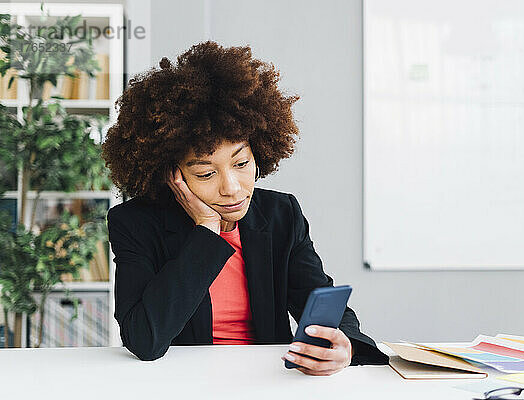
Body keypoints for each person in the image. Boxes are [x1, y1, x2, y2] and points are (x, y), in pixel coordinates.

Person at [102, 41, 388, 375]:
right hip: (179, 383)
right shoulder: (135, 223)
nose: (232, 187)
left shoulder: (281, 215)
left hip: (267, 380)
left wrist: (346, 346)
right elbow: (143, 340)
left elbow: (322, 303)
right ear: (171, 173)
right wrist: (206, 232)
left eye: (241, 162)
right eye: (206, 173)